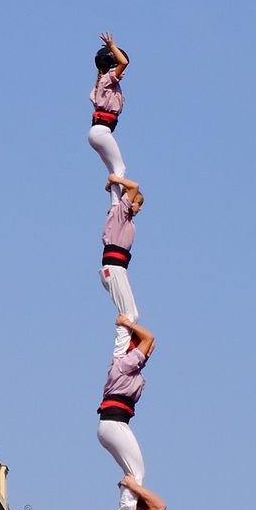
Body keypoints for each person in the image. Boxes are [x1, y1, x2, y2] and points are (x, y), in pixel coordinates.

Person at [97, 317, 155, 510]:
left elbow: (149, 344)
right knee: (137, 474)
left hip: (113, 424)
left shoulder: (136, 374)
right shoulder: (123, 364)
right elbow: (149, 339)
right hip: (113, 424)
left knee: (134, 473)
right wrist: (128, 324)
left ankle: (131, 505)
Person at [100, 176, 144, 354]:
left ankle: (128, 346)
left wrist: (112, 187)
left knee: (134, 314)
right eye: (137, 203)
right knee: (128, 315)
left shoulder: (123, 218)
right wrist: (115, 178)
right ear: (129, 200)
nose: (139, 208)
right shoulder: (121, 213)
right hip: (114, 269)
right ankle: (120, 355)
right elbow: (135, 186)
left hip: (118, 270)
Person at [88, 32, 129, 186]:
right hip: (101, 131)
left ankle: (113, 195)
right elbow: (124, 62)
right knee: (120, 168)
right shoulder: (107, 79)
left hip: (96, 132)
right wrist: (112, 46)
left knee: (113, 169)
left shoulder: (100, 83)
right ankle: (116, 205)